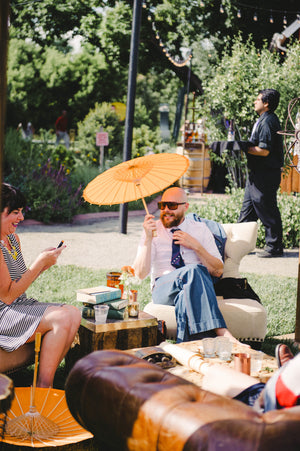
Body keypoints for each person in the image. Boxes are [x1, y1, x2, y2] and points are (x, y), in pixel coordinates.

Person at [133, 186, 241, 345]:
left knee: (185, 297)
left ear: (186, 206)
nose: (166, 210)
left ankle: (189, 347)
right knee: (193, 270)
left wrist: (196, 246)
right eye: (163, 205)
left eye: (172, 205)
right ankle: (221, 332)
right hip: (163, 288)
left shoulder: (199, 229)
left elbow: (218, 271)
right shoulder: (152, 230)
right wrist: (148, 239)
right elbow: (140, 274)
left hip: (193, 288)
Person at [0, 183, 81, 387]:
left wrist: (42, 266)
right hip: (4, 313)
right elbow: (7, 296)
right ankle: (44, 389)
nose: (21, 218)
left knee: (73, 313)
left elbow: (18, 283)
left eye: (21, 212)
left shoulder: (12, 239)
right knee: (61, 318)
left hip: (17, 305)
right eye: (15, 212)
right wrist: (38, 264)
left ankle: (43, 383)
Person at [238, 89, 284, 258]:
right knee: (248, 210)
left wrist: (244, 148)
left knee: (267, 208)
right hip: (256, 174)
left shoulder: (268, 121)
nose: (254, 102)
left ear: (266, 103)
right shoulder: (262, 120)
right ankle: (241, 244)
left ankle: (274, 247)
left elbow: (264, 151)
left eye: (257, 99)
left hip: (265, 174)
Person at [199, 343, 299, 413]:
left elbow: (263, 400)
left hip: (274, 413)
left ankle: (289, 376)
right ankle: (289, 372)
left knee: (213, 374)